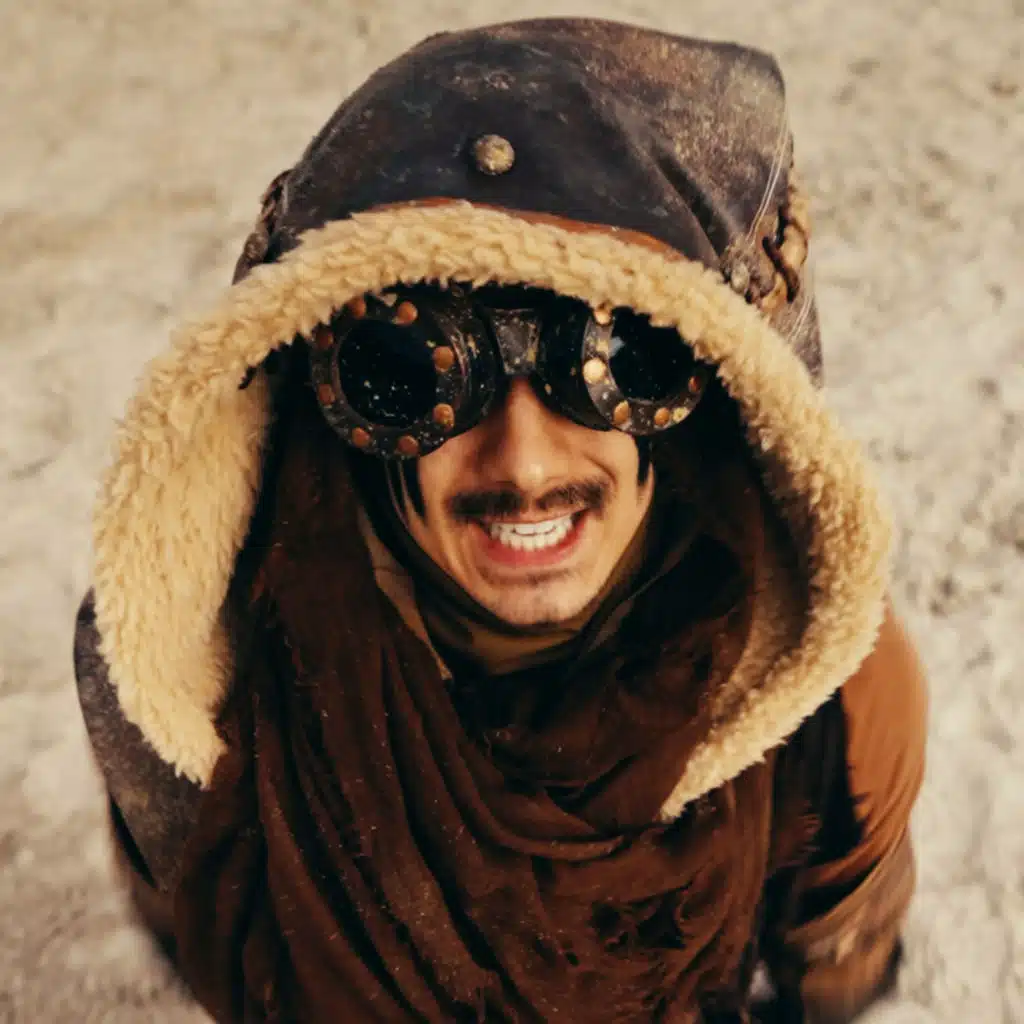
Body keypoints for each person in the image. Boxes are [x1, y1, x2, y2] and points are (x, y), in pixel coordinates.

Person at [73, 18, 928, 1024]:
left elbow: (838, 953)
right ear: (336, 412)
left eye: (619, 362)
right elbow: (205, 936)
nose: (524, 463)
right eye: (408, 372)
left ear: (710, 392)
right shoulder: (194, 687)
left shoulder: (831, 698)